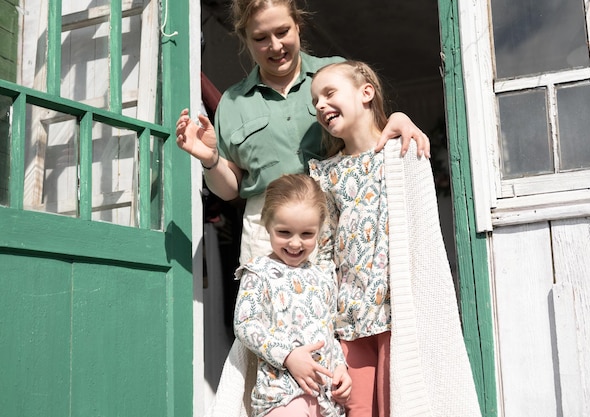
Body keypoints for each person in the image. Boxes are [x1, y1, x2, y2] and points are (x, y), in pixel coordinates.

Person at [175, 0, 431, 265]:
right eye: (261, 38)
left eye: (282, 31)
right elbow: (230, 190)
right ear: (246, 40)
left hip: (338, 219)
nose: (275, 46)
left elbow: (370, 132)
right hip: (268, 234)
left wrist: (399, 119)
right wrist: (210, 158)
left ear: (298, 26)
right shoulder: (232, 102)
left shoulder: (334, 73)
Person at [308, 60, 482, 417]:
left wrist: (399, 118)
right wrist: (324, 322)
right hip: (350, 320)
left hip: (394, 315)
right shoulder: (325, 174)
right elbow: (323, 253)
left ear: (366, 92)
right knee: (357, 410)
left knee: (401, 406)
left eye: (329, 94)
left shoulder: (402, 152)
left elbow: (423, 237)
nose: (321, 105)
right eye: (315, 102)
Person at [233, 173, 351, 417]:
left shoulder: (323, 277)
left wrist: (340, 368)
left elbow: (329, 333)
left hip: (325, 400)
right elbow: (245, 324)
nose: (295, 244)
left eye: (306, 234)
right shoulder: (258, 272)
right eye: (284, 232)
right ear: (267, 225)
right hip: (281, 396)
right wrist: (288, 356)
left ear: (319, 230)